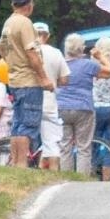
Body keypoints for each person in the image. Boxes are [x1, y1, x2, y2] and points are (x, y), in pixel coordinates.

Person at [0, 0, 53, 167]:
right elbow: (32, 53)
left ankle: (15, 162)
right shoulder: (25, 23)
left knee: (17, 123)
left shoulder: (9, 23)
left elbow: (0, 47)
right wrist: (43, 78)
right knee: (28, 124)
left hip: (15, 81)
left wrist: (12, 62)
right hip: (29, 81)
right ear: (29, 5)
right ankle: (22, 164)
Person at [57, 34, 100, 174]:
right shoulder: (89, 65)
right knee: (84, 147)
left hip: (61, 107)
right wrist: (99, 56)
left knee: (64, 146)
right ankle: (83, 181)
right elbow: (109, 70)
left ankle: (67, 179)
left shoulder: (60, 64)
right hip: (84, 107)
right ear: (81, 49)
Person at [33, 22, 70, 170]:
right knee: (51, 141)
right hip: (49, 102)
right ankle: (54, 173)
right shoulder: (56, 53)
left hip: (29, 99)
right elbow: (65, 80)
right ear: (47, 36)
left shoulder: (27, 52)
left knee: (25, 134)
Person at [90, 37, 110, 180]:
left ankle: (91, 176)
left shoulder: (93, 64)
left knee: (91, 143)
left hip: (94, 108)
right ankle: (107, 180)